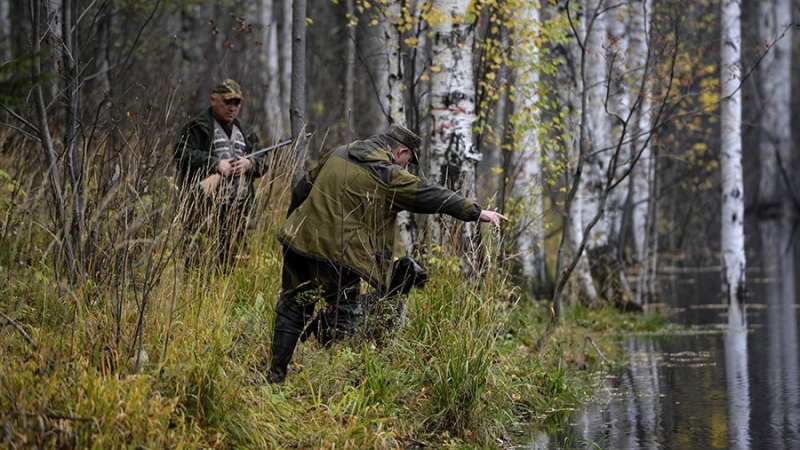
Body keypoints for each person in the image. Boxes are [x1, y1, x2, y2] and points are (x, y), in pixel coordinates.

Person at [268, 124, 508, 383]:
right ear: (401, 152)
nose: (406, 167)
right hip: (340, 255)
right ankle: (337, 389)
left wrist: (294, 228)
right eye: (408, 161)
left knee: (293, 307)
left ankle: (275, 376)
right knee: (345, 319)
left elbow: (301, 190)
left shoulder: (338, 153)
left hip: (298, 242)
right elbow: (430, 194)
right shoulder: (388, 175)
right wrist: (476, 212)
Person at [174, 79, 269, 266]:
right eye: (227, 102)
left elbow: (264, 160)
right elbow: (181, 155)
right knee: (199, 264)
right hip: (204, 211)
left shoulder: (246, 131)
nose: (232, 108)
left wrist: (249, 164)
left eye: (237, 103)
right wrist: (215, 164)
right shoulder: (196, 127)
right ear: (213, 100)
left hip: (240, 211)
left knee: (236, 265)